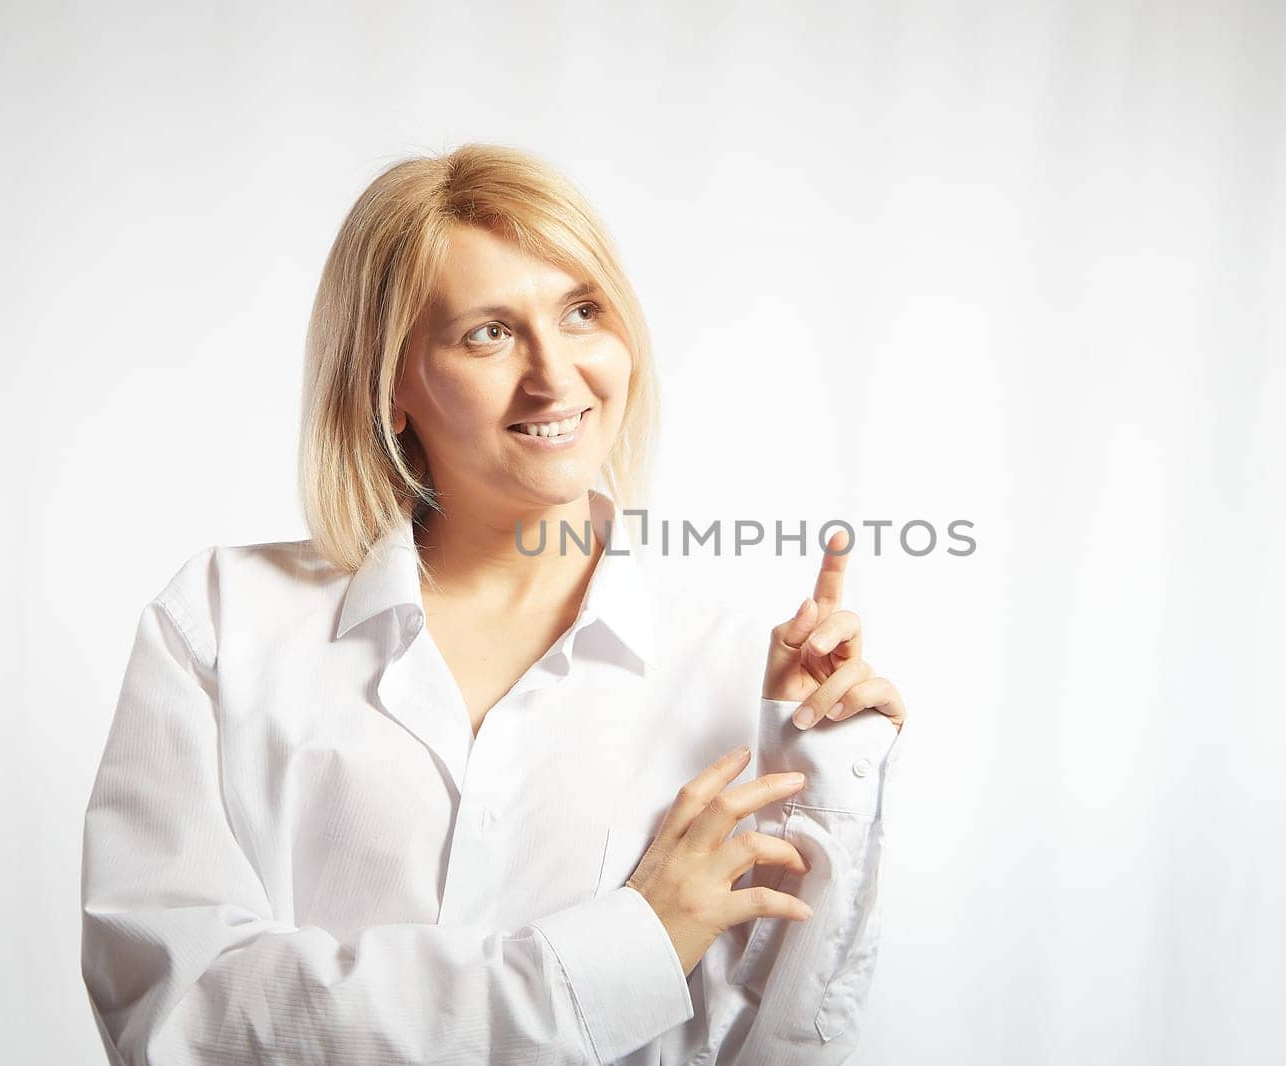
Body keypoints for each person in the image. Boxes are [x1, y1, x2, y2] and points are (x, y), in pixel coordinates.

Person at [80, 142, 908, 1065]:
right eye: (489, 332)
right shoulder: (223, 623)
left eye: (583, 312)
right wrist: (622, 954)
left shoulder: (735, 671)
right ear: (390, 382)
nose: (555, 377)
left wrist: (828, 782)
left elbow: (780, 1046)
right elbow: (183, 1020)